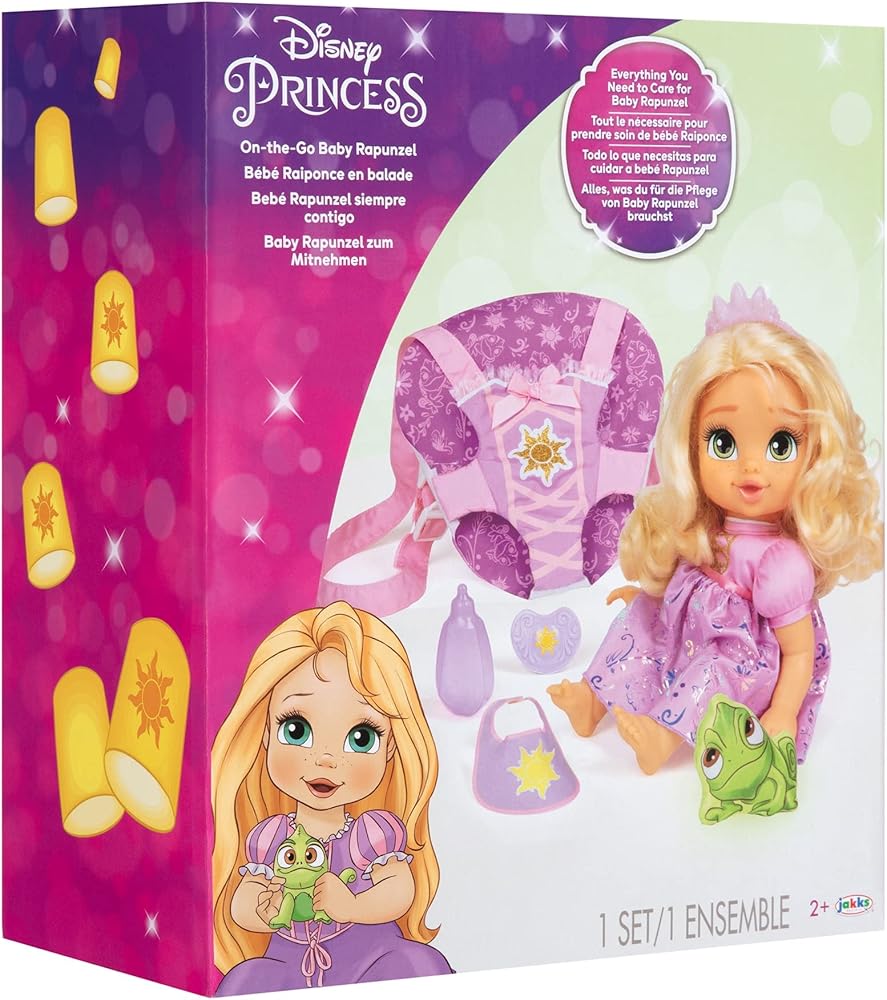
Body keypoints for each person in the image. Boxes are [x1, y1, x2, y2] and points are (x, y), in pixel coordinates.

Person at [549, 285, 883, 774]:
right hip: (689, 628)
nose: (751, 467)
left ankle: (663, 737)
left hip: (743, 659)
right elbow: (690, 582)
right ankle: (592, 699)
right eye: (723, 442)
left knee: (715, 669)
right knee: (638, 620)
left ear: (816, 454)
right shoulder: (706, 523)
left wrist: (784, 712)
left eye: (780, 445)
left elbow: (798, 652)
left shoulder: (782, 562)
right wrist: (657, 600)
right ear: (692, 446)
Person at [212, 602, 453, 991]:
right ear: (266, 734)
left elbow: (399, 890)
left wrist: (353, 906)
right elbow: (243, 902)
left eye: (361, 738)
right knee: (244, 982)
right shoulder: (270, 838)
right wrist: (264, 909)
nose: (325, 759)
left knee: (416, 965)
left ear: (391, 747)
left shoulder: (371, 833)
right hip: (289, 968)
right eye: (296, 729)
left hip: (370, 961)